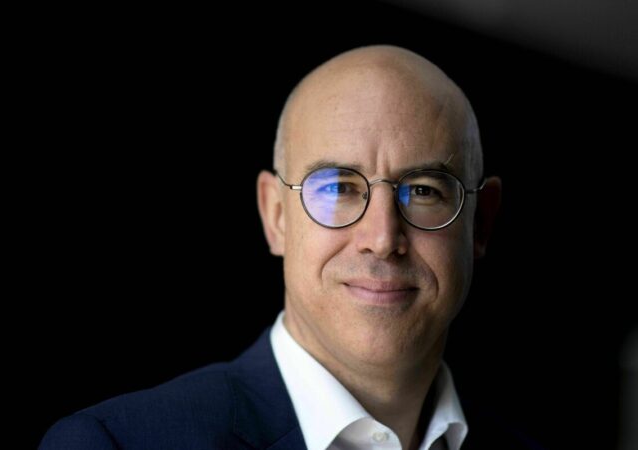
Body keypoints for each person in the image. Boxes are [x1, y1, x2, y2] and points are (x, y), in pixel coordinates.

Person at [39, 45, 536, 450]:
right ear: (275, 215)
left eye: (423, 190)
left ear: (481, 223)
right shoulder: (117, 444)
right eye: (339, 188)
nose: (383, 240)